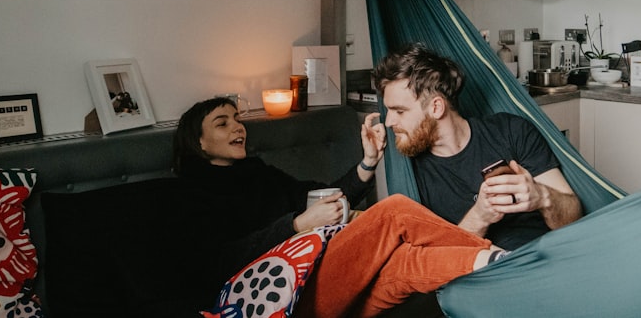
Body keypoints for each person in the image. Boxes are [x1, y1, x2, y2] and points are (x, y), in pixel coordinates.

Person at [174, 97, 506, 317]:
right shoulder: (190, 193)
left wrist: (368, 162)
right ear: (199, 142)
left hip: (320, 280)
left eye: (237, 118)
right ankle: (519, 262)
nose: (237, 127)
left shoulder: (259, 174)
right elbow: (214, 264)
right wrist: (295, 226)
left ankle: (503, 265)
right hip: (277, 297)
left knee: (406, 264)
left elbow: (324, 196)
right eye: (222, 123)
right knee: (394, 211)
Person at [372, 43, 583, 250]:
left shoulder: (511, 131)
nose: (388, 122)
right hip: (483, 273)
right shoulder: (410, 172)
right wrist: (480, 216)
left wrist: (541, 196)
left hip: (546, 258)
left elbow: (573, 217)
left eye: (399, 111)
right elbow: (432, 264)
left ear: (436, 107)